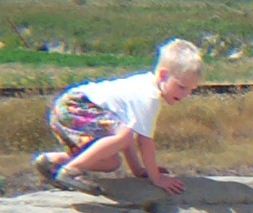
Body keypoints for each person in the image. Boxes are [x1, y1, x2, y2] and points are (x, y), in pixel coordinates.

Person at [32, 38, 203, 196]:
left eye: (191, 90)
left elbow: (125, 138)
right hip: (77, 105)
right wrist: (156, 177)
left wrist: (138, 171)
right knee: (124, 134)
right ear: (164, 75)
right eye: (181, 87)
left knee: (111, 163)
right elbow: (144, 142)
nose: (186, 94)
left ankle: (51, 161)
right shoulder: (149, 96)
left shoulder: (144, 86)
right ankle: (71, 170)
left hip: (66, 109)